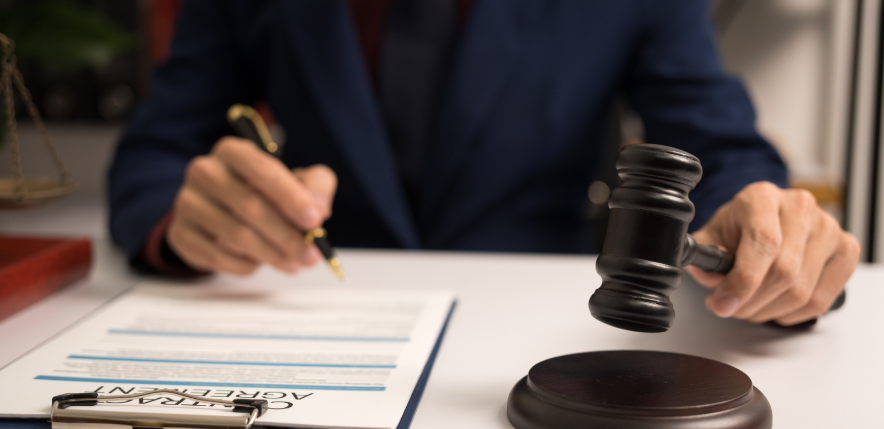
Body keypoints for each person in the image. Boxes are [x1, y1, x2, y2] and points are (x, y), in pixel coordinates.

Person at [109, 0, 860, 327]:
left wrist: (768, 228)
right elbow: (153, 157)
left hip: (536, 331)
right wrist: (187, 219)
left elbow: (720, 146)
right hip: (313, 313)